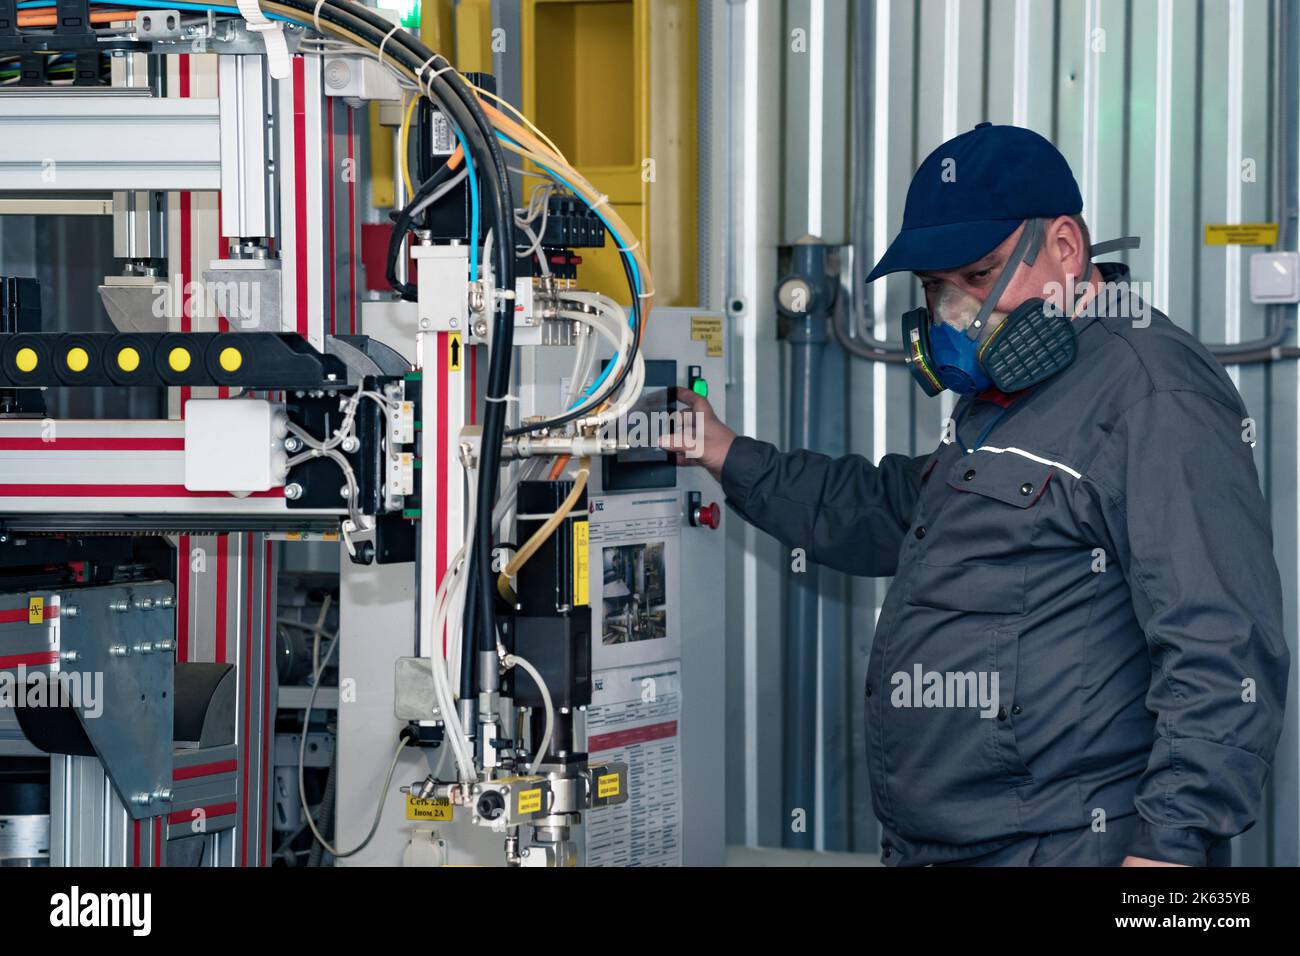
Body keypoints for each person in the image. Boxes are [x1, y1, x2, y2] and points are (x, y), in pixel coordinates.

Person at [668, 123, 1290, 866]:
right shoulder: (1011, 389)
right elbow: (893, 511)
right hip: (945, 846)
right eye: (936, 288)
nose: (956, 312)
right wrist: (724, 452)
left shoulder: (1153, 391)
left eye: (979, 274)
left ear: (1064, 248)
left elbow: (1221, 649)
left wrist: (1167, 854)